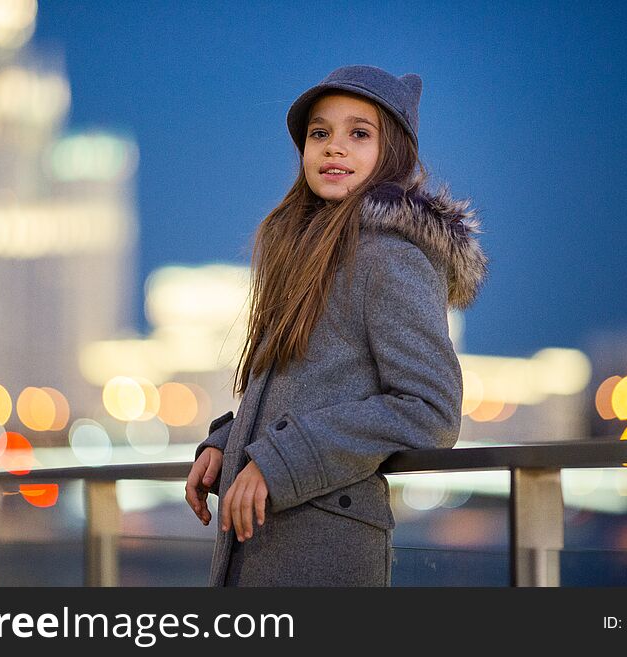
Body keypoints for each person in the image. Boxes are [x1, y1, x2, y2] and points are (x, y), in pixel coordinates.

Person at [184, 64, 488, 586]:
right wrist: (228, 443)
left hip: (325, 549)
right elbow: (308, 388)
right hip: (267, 538)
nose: (334, 147)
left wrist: (279, 460)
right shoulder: (307, 253)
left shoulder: (389, 256)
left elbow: (431, 408)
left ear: (392, 152)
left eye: (359, 134)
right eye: (319, 133)